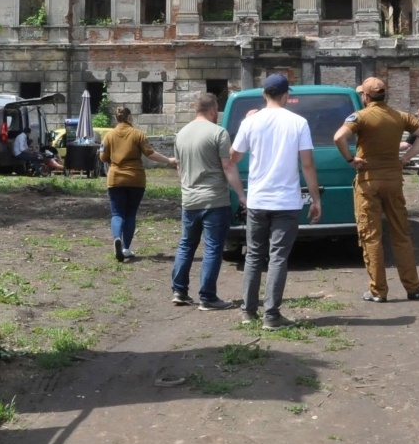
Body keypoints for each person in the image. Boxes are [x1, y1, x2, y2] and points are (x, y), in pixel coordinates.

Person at [230, 73, 322, 330]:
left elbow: (233, 157)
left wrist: (245, 127)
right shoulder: (299, 122)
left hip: (258, 200)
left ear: (263, 94)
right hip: (286, 202)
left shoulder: (251, 122)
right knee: (278, 257)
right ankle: (271, 315)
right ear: (286, 95)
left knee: (253, 256)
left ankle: (248, 312)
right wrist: (315, 199)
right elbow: (307, 163)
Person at [335, 76, 419, 302]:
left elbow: (339, 137)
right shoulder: (400, 116)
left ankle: (378, 290)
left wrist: (351, 159)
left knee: (371, 236)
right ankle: (413, 288)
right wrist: (407, 156)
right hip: (393, 179)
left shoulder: (360, 116)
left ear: (366, 96)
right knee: (401, 234)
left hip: (368, 180)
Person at [170, 92, 245, 310]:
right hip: (214, 200)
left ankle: (179, 291)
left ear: (196, 109)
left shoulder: (181, 134)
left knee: (186, 244)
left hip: (190, 199)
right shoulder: (218, 133)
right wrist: (241, 195)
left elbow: (180, 169)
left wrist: (187, 189)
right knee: (212, 248)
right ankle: (208, 297)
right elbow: (228, 166)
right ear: (212, 110)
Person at [99, 106, 177, 262]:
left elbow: (102, 157)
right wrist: (169, 160)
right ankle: (126, 248)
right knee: (130, 214)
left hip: (115, 179)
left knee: (117, 213)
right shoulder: (138, 134)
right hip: (136, 179)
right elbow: (150, 153)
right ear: (129, 118)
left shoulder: (108, 135)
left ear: (116, 118)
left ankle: (117, 239)